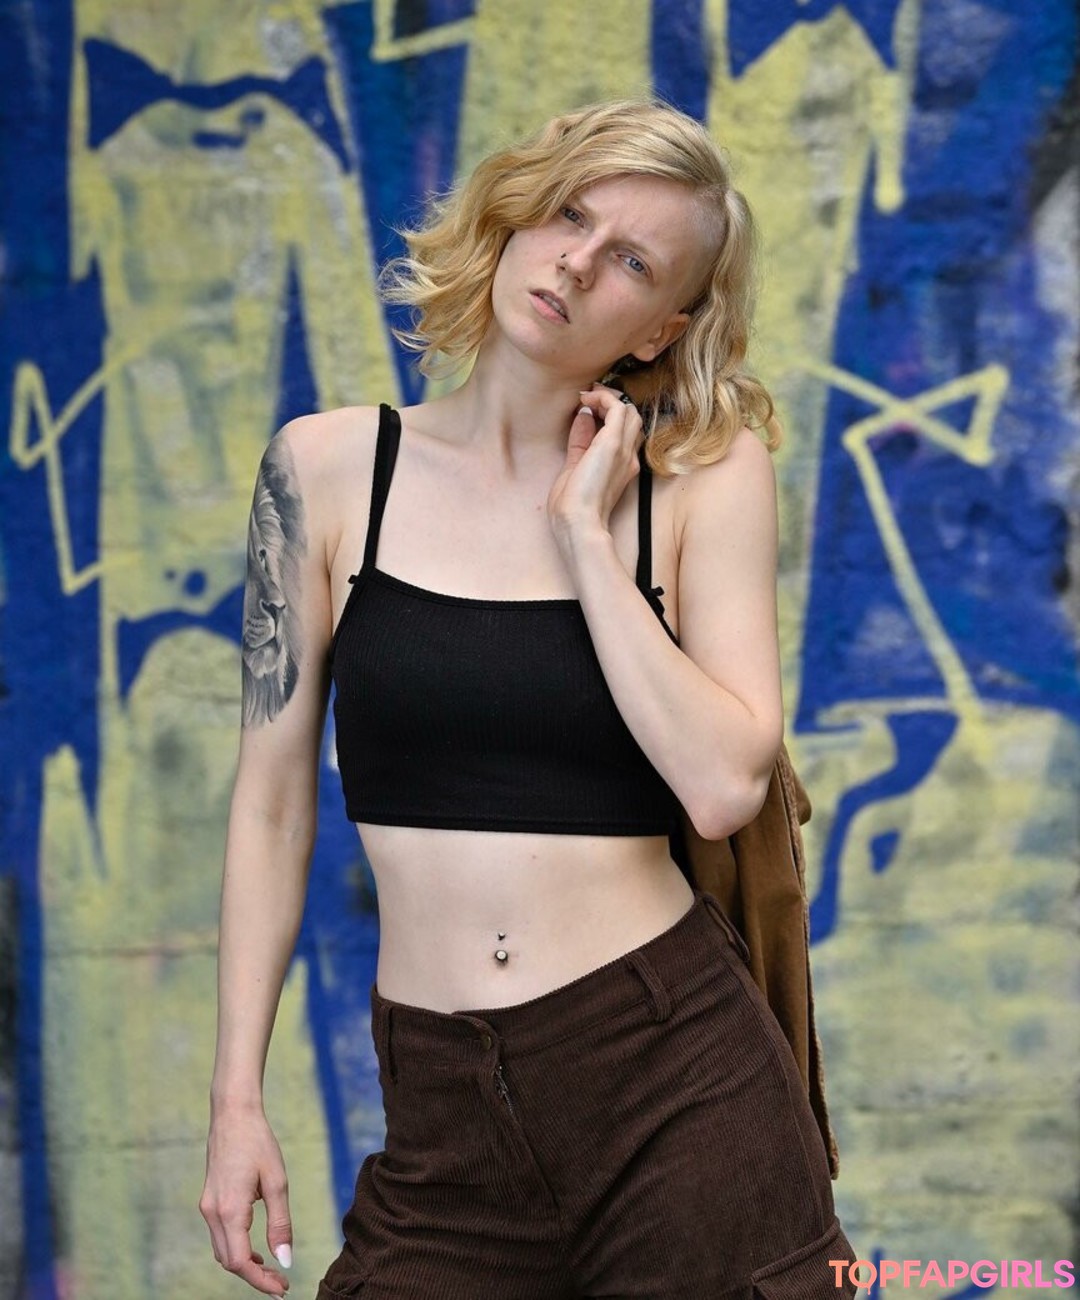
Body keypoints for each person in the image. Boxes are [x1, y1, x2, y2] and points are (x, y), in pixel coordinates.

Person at [199, 98, 858, 1299]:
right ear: (515, 214)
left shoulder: (701, 479)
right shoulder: (330, 469)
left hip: (675, 1084)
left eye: (635, 262)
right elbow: (272, 805)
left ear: (661, 328)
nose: (578, 263)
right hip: (440, 1109)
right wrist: (235, 1095)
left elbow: (724, 784)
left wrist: (585, 538)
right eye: (570, 214)